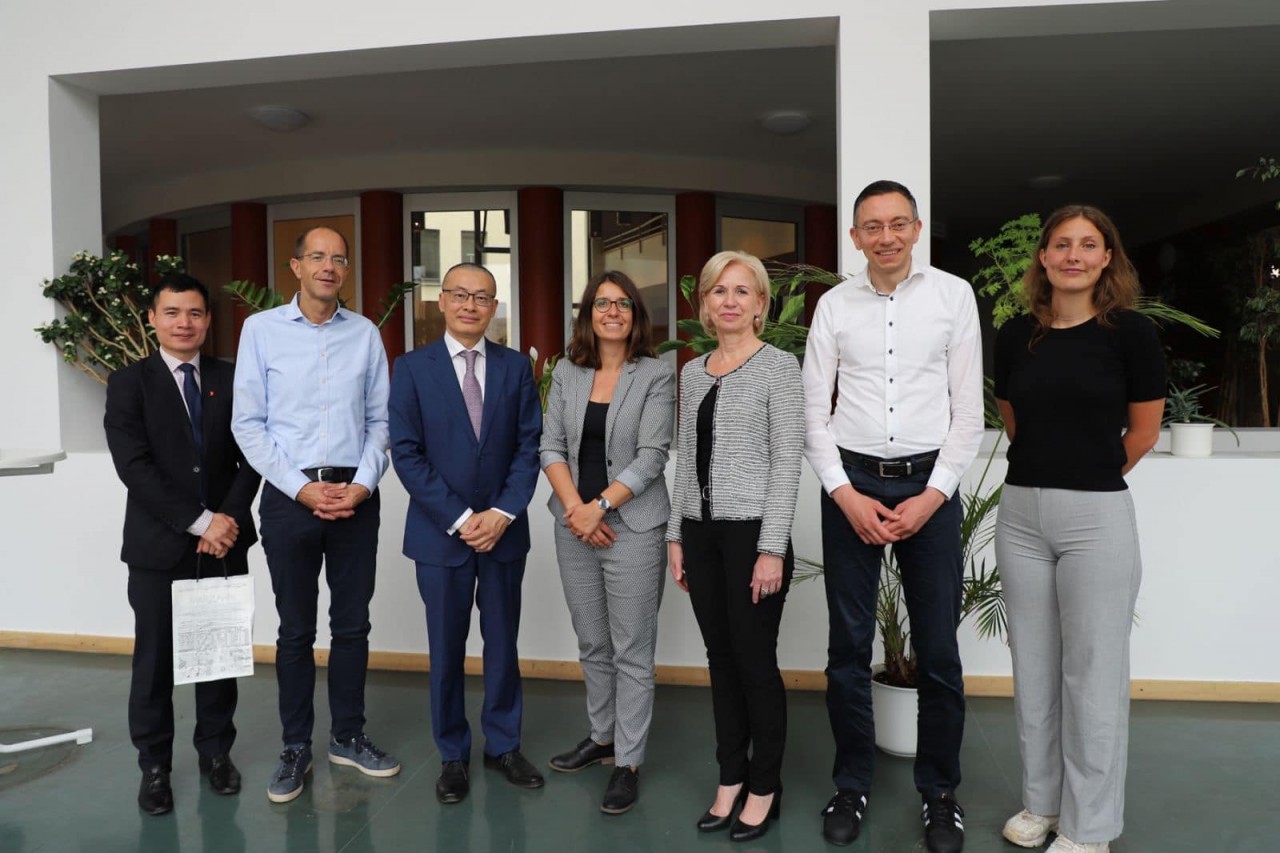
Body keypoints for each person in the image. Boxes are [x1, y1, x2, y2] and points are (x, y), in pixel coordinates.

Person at [802, 180, 983, 852]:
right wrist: (843, 493)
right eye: (871, 226)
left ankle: (940, 794)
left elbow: (969, 414)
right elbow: (813, 411)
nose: (885, 236)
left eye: (896, 224)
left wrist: (931, 497)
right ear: (855, 237)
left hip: (929, 482)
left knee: (937, 648)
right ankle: (851, 782)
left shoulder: (952, 296)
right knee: (846, 649)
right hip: (849, 477)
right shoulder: (834, 306)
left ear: (917, 228)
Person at [993, 206, 1164, 853]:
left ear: (1106, 258)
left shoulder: (1132, 334)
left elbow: (1143, 432)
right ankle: (1042, 802)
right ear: (1043, 257)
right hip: (1022, 514)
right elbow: (1015, 420)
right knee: (1033, 665)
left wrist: (1086, 469)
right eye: (1060, 244)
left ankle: (1089, 828)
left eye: (1087, 245)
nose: (1072, 254)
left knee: (1092, 672)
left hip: (1097, 515)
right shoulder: (1014, 335)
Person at [232, 226, 399, 804]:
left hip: (356, 496)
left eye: (339, 259)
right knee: (296, 630)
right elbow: (247, 424)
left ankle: (348, 737)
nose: (329, 266)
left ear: (346, 271)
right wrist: (301, 488)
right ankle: (295, 746)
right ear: (296, 266)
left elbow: (382, 422)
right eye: (318, 257)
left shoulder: (367, 335)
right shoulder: (261, 331)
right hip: (288, 499)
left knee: (352, 626)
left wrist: (362, 483)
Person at [104, 272, 261, 815]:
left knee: (218, 657)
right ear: (152, 319)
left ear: (208, 320)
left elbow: (251, 455)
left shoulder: (232, 377)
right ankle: (154, 768)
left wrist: (228, 521)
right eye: (172, 313)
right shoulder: (129, 382)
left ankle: (217, 755)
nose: (184, 323)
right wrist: (199, 521)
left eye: (194, 313)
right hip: (158, 547)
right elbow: (135, 467)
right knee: (154, 663)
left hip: (225, 543)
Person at [388, 262, 543, 805]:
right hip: (439, 536)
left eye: (482, 297)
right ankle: (452, 753)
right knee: (446, 648)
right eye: (460, 295)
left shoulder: (515, 368)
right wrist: (459, 519)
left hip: (503, 534)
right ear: (442, 302)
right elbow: (406, 454)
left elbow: (529, 447)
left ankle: (503, 745)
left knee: (503, 645)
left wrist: (501, 513)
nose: (471, 305)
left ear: (494, 307)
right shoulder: (411, 368)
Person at [667, 250, 804, 843]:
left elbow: (786, 465)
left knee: (753, 662)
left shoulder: (780, 368)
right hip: (700, 535)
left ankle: (765, 786)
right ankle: (730, 777)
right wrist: (676, 534)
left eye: (742, 291)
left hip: (753, 535)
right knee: (719, 663)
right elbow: (682, 463)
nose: (729, 300)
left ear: (761, 305)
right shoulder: (693, 373)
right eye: (718, 291)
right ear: (704, 304)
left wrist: (772, 547)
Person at [540, 271, 675, 815]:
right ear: (589, 313)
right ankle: (602, 738)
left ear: (634, 314)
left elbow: (652, 455)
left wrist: (599, 507)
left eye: (622, 303)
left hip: (633, 527)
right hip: (575, 526)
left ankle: (628, 761)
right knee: (592, 641)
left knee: (632, 651)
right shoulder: (568, 371)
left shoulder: (656, 374)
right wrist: (577, 510)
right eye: (602, 303)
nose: (612, 311)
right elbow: (549, 445)